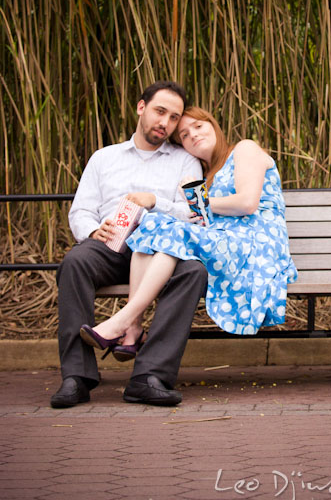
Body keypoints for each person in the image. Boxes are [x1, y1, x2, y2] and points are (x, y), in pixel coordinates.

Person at [78, 106, 298, 356]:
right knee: (151, 224)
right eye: (183, 134)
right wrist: (193, 199)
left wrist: (196, 202)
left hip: (256, 245)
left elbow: (247, 202)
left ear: (213, 126)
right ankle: (134, 328)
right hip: (225, 243)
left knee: (171, 231)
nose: (192, 134)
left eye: (199, 126)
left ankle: (123, 319)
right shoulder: (208, 176)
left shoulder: (244, 149)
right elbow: (202, 221)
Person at [50, 82, 207, 409]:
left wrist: (155, 202)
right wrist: (94, 231)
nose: (165, 122)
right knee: (75, 263)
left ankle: (150, 376)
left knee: (194, 271)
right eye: (159, 111)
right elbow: (80, 210)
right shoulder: (104, 158)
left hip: (164, 253)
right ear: (141, 108)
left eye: (174, 117)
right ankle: (77, 377)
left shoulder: (184, 161)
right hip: (111, 247)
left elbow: (195, 214)